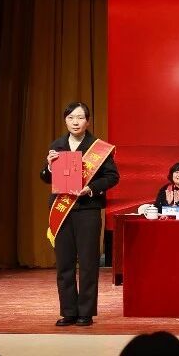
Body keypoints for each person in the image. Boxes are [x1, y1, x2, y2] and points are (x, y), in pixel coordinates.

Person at [41, 101, 120, 327]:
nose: (75, 122)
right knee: (64, 263)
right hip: (62, 209)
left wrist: (91, 188)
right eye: (71, 118)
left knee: (88, 263)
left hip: (88, 210)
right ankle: (68, 312)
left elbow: (113, 177)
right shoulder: (57, 145)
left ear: (88, 121)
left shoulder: (98, 148)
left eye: (80, 117)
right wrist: (49, 166)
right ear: (65, 120)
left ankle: (86, 312)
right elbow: (46, 177)